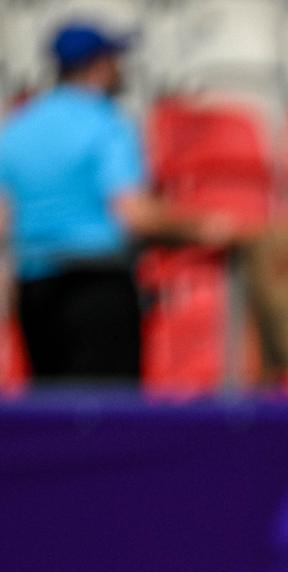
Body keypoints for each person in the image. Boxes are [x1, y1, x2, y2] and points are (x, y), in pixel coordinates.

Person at [0, 22, 233, 384]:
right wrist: (205, 227)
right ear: (100, 65)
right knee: (108, 420)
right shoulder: (105, 124)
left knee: (53, 416)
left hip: (36, 288)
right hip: (98, 286)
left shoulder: (18, 127)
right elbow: (133, 213)